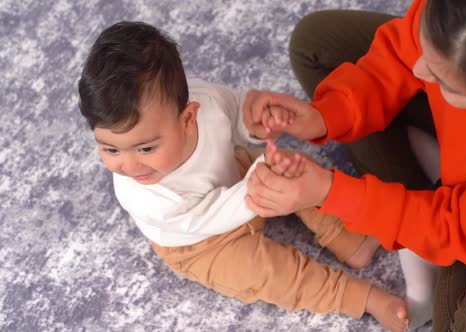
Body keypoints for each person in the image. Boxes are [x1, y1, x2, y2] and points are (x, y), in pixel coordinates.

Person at [243, 0, 466, 331]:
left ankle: (444, 199)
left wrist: (333, 192)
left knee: (464, 322)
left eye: (447, 82)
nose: (419, 69)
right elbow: (401, 54)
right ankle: (435, 201)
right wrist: (322, 115)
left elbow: (459, 230)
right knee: (316, 44)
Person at [77, 21, 411, 331]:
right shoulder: (141, 194)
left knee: (296, 167)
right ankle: (362, 297)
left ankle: (350, 239)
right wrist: (259, 183)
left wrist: (252, 122)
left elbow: (233, 112)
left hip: (237, 175)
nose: (130, 166)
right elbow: (208, 219)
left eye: (146, 149)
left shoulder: (205, 101)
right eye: (110, 150)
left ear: (187, 118)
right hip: (202, 242)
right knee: (270, 272)